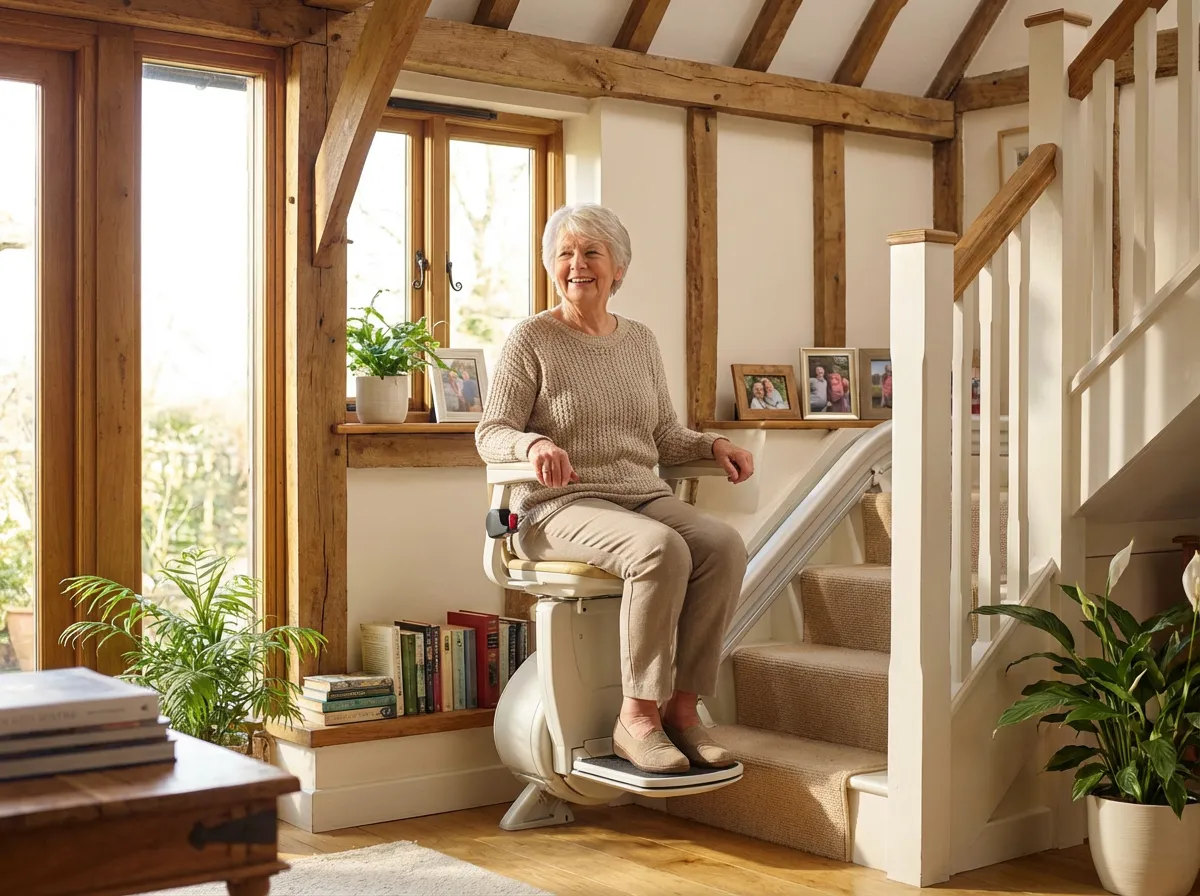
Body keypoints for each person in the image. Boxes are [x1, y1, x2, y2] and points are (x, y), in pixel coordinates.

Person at [476, 203, 754, 775]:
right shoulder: (531, 338)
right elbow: (492, 431)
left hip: (640, 496)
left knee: (723, 544)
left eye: (591, 252)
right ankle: (637, 718)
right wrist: (532, 446)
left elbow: (662, 434)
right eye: (565, 254)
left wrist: (711, 447)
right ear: (552, 266)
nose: (577, 265)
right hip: (558, 507)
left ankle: (682, 708)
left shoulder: (640, 342)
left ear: (618, 268)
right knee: (659, 548)